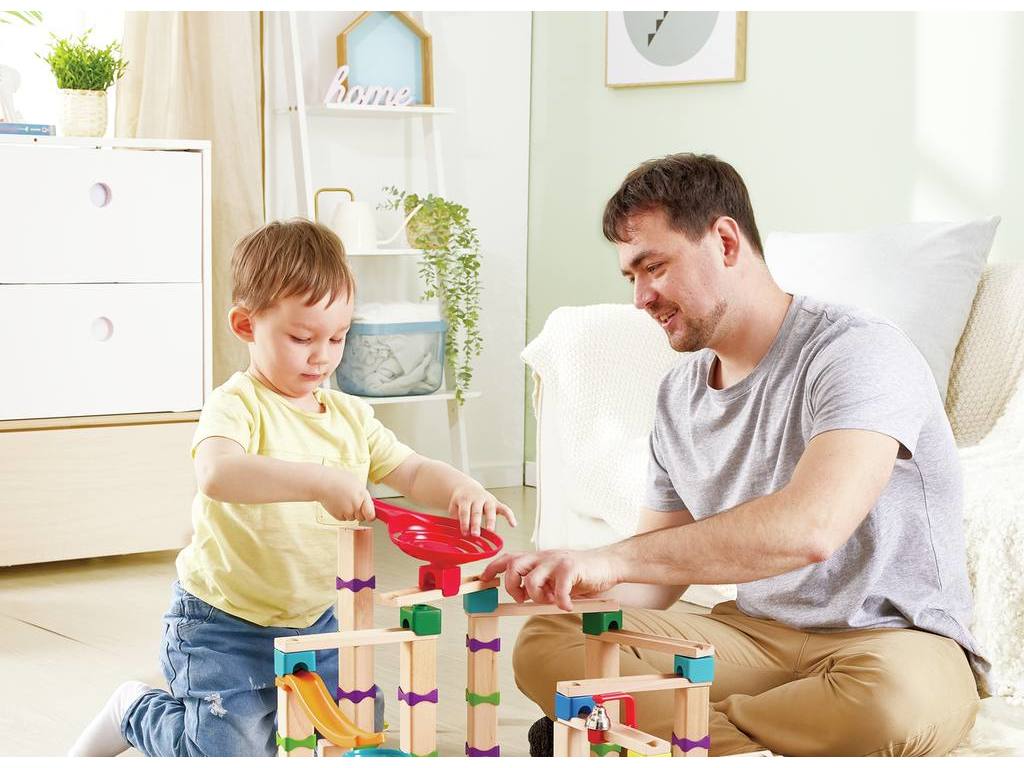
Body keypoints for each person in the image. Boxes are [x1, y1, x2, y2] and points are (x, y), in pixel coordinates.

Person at [486, 153, 988, 757]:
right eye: (631, 277)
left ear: (725, 241)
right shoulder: (679, 393)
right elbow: (653, 577)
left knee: (888, 707)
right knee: (551, 641)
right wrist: (562, 580)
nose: (642, 297)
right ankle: (717, 739)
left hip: (890, 645)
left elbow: (811, 528)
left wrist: (612, 559)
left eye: (655, 267)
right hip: (751, 638)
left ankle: (642, 732)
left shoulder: (858, 352)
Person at [68, 219, 516, 757]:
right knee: (226, 753)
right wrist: (318, 480)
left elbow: (413, 470)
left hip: (316, 619)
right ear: (246, 325)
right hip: (222, 623)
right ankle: (135, 709)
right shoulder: (237, 404)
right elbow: (217, 473)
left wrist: (462, 488)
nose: (322, 355)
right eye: (302, 338)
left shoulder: (351, 416)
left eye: (337, 337)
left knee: (359, 723)